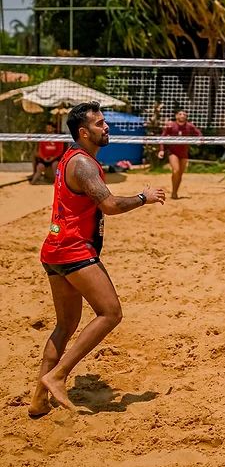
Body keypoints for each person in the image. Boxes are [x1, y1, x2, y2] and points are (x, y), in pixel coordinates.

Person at [29, 101, 165, 416]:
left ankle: (38, 398)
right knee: (111, 313)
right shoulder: (84, 164)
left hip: (54, 248)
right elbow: (111, 205)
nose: (106, 127)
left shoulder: (70, 160)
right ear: (83, 132)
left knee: (66, 325)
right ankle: (59, 375)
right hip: (74, 250)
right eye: (100, 123)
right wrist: (144, 197)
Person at [158, 109, 202, 199]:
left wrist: (199, 140)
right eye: (180, 114)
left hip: (184, 153)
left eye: (184, 114)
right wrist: (161, 150)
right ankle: (174, 192)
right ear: (176, 116)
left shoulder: (189, 126)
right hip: (173, 152)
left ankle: (175, 192)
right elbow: (162, 137)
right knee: (176, 171)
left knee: (180, 174)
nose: (182, 116)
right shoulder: (171, 126)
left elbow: (199, 134)